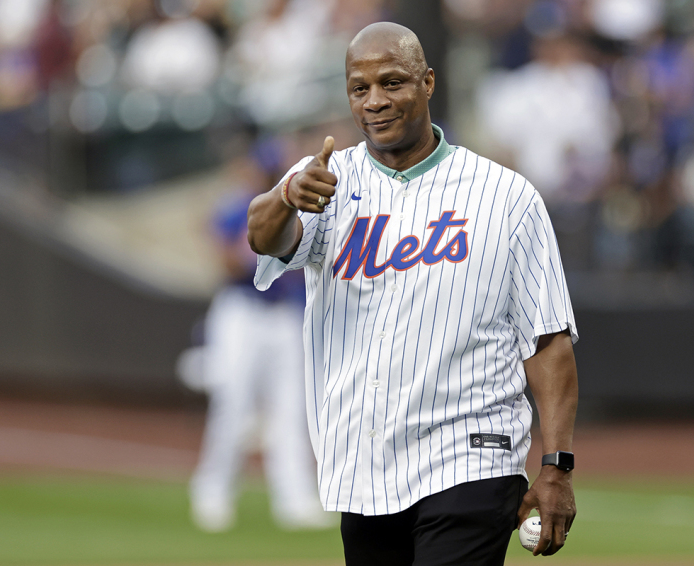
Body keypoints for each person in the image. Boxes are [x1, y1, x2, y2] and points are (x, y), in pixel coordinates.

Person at [247, 22, 579, 565]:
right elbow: (262, 235)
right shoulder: (323, 181)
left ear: (427, 82)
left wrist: (556, 465)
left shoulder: (507, 197)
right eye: (360, 88)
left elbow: (548, 341)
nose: (375, 100)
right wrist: (286, 195)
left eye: (393, 82)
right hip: (363, 461)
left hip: (472, 458)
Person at [183, 144, 332, 532]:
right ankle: (213, 492)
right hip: (242, 311)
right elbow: (226, 258)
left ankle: (294, 499)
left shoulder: (304, 205)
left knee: (291, 409)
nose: (270, 175)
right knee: (233, 402)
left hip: (285, 315)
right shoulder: (242, 204)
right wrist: (260, 253)